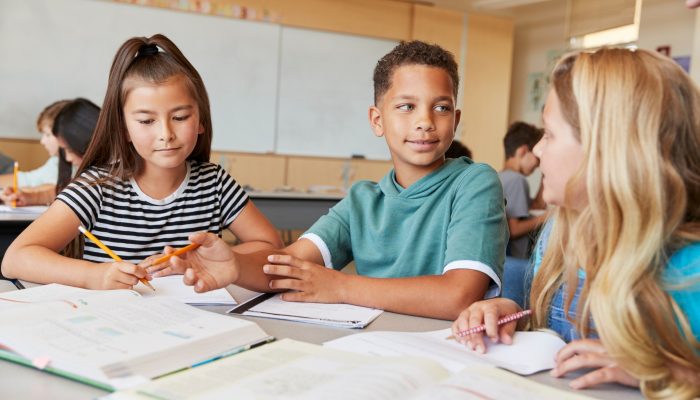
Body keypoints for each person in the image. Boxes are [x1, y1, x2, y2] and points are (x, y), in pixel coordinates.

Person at [164, 41, 508, 320]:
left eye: (441, 108)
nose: (425, 121)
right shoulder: (363, 200)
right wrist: (235, 265)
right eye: (406, 106)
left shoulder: (474, 182)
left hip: (448, 351)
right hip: (374, 346)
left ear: (456, 119)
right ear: (377, 120)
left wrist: (341, 287)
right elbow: (287, 266)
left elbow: (458, 295)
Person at [452, 48, 700, 397]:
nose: (537, 151)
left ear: (607, 152)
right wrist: (514, 315)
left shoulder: (690, 269)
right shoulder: (559, 233)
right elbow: (554, 332)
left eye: (549, 136)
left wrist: (666, 371)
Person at [1, 34, 282, 289]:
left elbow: (271, 246)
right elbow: (15, 258)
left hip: (196, 323)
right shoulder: (98, 187)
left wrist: (216, 259)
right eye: (147, 121)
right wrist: (94, 275)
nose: (166, 134)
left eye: (180, 117)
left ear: (201, 121)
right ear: (123, 128)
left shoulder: (214, 182)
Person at [0, 98, 99, 207]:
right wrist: (29, 197)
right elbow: (58, 188)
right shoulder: (57, 162)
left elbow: (68, 189)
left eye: (47, 134)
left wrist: (31, 195)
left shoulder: (95, 172)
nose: (42, 141)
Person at [499, 121, 546, 259]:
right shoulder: (517, 180)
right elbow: (513, 229)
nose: (538, 165)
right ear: (523, 151)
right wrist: (549, 216)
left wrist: (545, 172)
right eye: (537, 159)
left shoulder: (501, 176)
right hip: (516, 258)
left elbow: (537, 206)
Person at [0, 100, 69, 189]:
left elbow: (57, 190)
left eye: (47, 134)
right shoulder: (55, 161)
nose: (42, 141)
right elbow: (29, 179)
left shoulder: (78, 165)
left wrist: (27, 195)